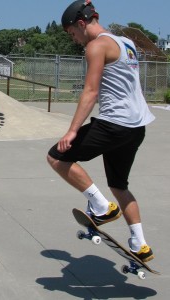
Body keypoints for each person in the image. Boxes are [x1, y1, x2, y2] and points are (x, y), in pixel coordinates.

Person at [47, 0, 155, 262]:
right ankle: (140, 244)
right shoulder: (125, 43)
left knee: (56, 157)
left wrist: (72, 131)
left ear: (81, 24)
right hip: (136, 127)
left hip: (114, 124)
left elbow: (91, 91)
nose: (75, 40)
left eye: (73, 33)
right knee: (119, 184)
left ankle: (101, 206)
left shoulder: (96, 46)